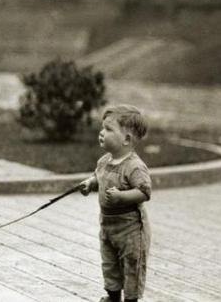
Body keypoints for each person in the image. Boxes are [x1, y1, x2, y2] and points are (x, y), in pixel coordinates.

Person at [79, 104, 152, 302]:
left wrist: (122, 197)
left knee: (131, 266)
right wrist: (90, 183)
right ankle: (112, 297)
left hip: (131, 230)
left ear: (127, 139)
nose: (102, 133)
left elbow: (145, 192)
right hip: (108, 226)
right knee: (109, 264)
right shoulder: (104, 161)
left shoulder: (134, 167)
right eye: (103, 128)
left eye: (109, 129)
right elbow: (99, 177)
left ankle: (130, 299)